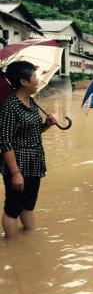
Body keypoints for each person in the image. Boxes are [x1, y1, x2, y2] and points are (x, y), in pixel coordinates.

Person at [0, 61, 57, 238]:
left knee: (29, 204)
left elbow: (32, 132)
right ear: (24, 81)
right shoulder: (9, 107)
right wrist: (15, 173)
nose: (37, 79)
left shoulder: (32, 102)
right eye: (34, 76)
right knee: (13, 207)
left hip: (34, 162)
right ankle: (12, 246)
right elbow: (5, 142)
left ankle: (29, 244)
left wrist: (46, 125)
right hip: (17, 164)